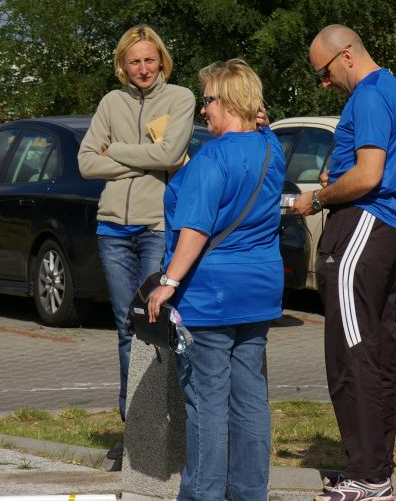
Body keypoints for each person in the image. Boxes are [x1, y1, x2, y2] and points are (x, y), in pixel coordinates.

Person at [147, 59, 285, 501]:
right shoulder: (272, 149)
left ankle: (204, 494)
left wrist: (168, 281)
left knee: (207, 402)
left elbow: (196, 230)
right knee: (250, 400)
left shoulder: (212, 158)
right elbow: (263, 128)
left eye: (207, 100)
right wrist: (259, 119)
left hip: (211, 294)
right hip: (259, 290)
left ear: (227, 101)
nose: (203, 110)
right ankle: (249, 493)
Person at [292, 25, 396, 501]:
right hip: (384, 229)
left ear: (345, 56)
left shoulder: (367, 95)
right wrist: (339, 177)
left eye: (324, 72)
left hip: (362, 226)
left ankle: (366, 474)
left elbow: (368, 176)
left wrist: (318, 198)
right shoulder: (393, 88)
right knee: (376, 350)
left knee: (351, 353)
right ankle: (376, 471)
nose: (325, 82)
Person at [78, 24, 195, 451]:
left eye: (149, 59)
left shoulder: (180, 98)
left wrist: (116, 151)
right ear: (122, 65)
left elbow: (171, 154)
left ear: (161, 60)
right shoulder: (111, 102)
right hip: (112, 230)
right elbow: (86, 163)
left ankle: (166, 427)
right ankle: (137, 432)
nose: (143, 68)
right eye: (134, 61)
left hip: (155, 228)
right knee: (126, 328)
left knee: (154, 325)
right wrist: (149, 159)